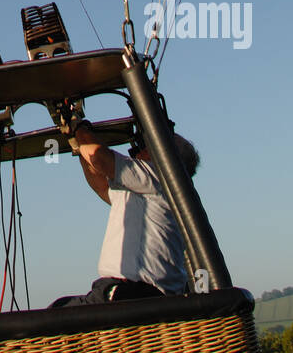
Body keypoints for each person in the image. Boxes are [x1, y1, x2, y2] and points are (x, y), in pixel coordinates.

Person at [49, 119, 199, 306]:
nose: (140, 149)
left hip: (132, 293)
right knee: (60, 307)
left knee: (49, 321)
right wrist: (78, 143)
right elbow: (100, 184)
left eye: (152, 145)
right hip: (130, 292)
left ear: (168, 159)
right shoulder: (147, 190)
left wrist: (79, 127)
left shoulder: (160, 178)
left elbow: (97, 156)